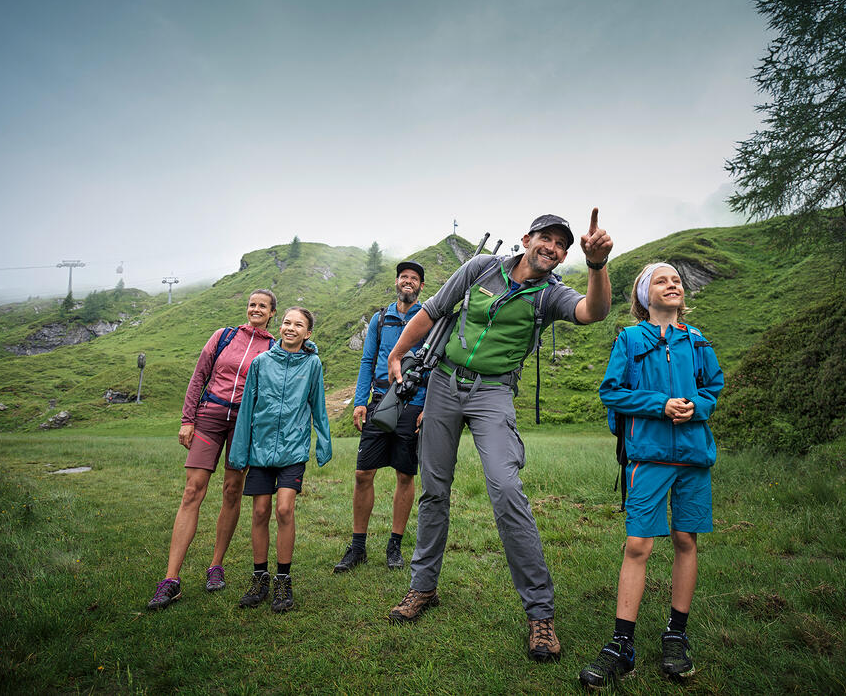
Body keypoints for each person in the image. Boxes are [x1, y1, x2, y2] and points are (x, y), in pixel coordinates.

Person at [385, 210, 614, 663]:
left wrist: (596, 264)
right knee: (434, 490)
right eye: (547, 238)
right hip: (444, 382)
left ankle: (540, 614)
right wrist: (397, 354)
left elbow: (594, 312)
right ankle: (422, 587)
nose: (553, 248)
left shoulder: (551, 294)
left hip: (493, 392)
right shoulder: (480, 268)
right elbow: (433, 310)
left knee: (507, 489)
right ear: (527, 239)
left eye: (562, 245)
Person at [577, 262, 724, 689]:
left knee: (685, 540)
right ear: (644, 295)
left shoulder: (697, 340)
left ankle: (676, 636)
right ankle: (622, 644)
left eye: (676, 279)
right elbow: (611, 392)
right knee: (638, 545)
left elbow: (713, 387)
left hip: (693, 457)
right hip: (648, 457)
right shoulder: (629, 338)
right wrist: (660, 405)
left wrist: (699, 406)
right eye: (661, 280)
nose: (672, 284)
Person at [146, 290, 277, 611]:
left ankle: (216, 565)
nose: (256, 309)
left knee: (232, 491)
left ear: (272, 313)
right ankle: (170, 579)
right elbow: (198, 377)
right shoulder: (223, 336)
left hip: (244, 425)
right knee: (193, 490)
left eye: (262, 306)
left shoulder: (273, 348)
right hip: (209, 416)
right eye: (252, 304)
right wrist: (187, 419)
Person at [227, 307, 332, 614]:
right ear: (280, 327)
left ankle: (283, 580)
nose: (290, 328)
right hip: (260, 450)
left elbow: (318, 405)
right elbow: (248, 407)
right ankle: (259, 577)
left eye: (298, 325)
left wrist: (324, 442)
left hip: (293, 449)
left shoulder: (312, 364)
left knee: (285, 509)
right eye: (287, 322)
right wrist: (240, 452)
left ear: (307, 333)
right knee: (260, 511)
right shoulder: (261, 363)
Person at [334, 261, 428, 574]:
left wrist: (427, 407)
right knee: (363, 473)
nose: (408, 281)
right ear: (397, 282)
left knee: (405, 475)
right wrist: (360, 402)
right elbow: (367, 361)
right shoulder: (379, 318)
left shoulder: (429, 318)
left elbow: (436, 365)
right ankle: (357, 547)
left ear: (421, 286)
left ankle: (394, 546)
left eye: (414, 278)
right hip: (380, 401)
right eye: (403, 277)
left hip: (413, 402)